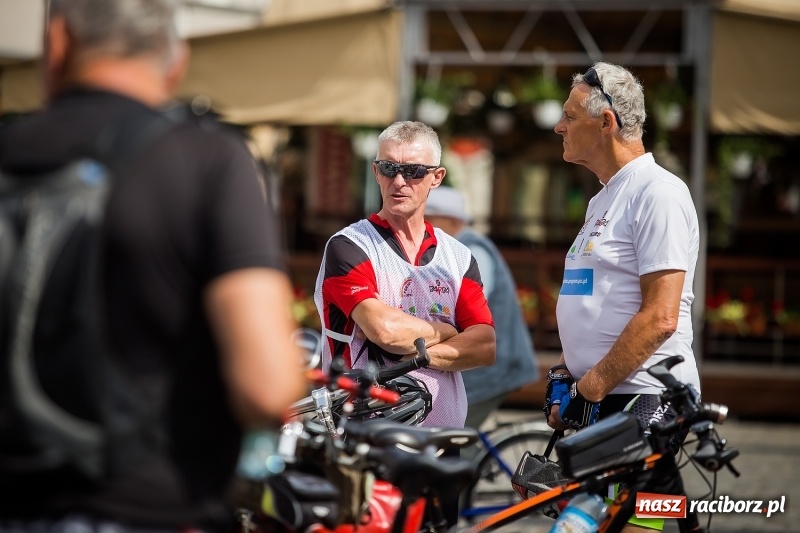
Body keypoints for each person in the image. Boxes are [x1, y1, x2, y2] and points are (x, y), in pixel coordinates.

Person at [0, 0, 306, 530]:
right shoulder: (208, 160)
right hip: (149, 506)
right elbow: (266, 384)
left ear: (56, 44)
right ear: (176, 61)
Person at [546, 62, 702, 532]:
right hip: (609, 394)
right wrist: (566, 371)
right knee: (645, 518)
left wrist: (587, 389)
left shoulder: (659, 193)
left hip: (644, 398)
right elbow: (600, 298)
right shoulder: (604, 197)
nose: (559, 126)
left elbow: (660, 317)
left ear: (606, 122)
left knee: (616, 525)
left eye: (570, 116)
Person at [313, 121, 496, 430]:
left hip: (441, 438)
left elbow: (484, 346)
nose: (399, 181)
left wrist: (417, 351)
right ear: (375, 172)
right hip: (366, 432)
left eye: (413, 171)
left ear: (436, 177)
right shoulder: (349, 246)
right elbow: (385, 331)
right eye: (388, 168)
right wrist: (449, 331)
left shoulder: (459, 256)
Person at [424, 186, 539, 431]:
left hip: (495, 366)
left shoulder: (472, 249)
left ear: (453, 221)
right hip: (479, 364)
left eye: (429, 219)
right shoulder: (450, 249)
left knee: (451, 437)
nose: (423, 225)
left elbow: (465, 307)